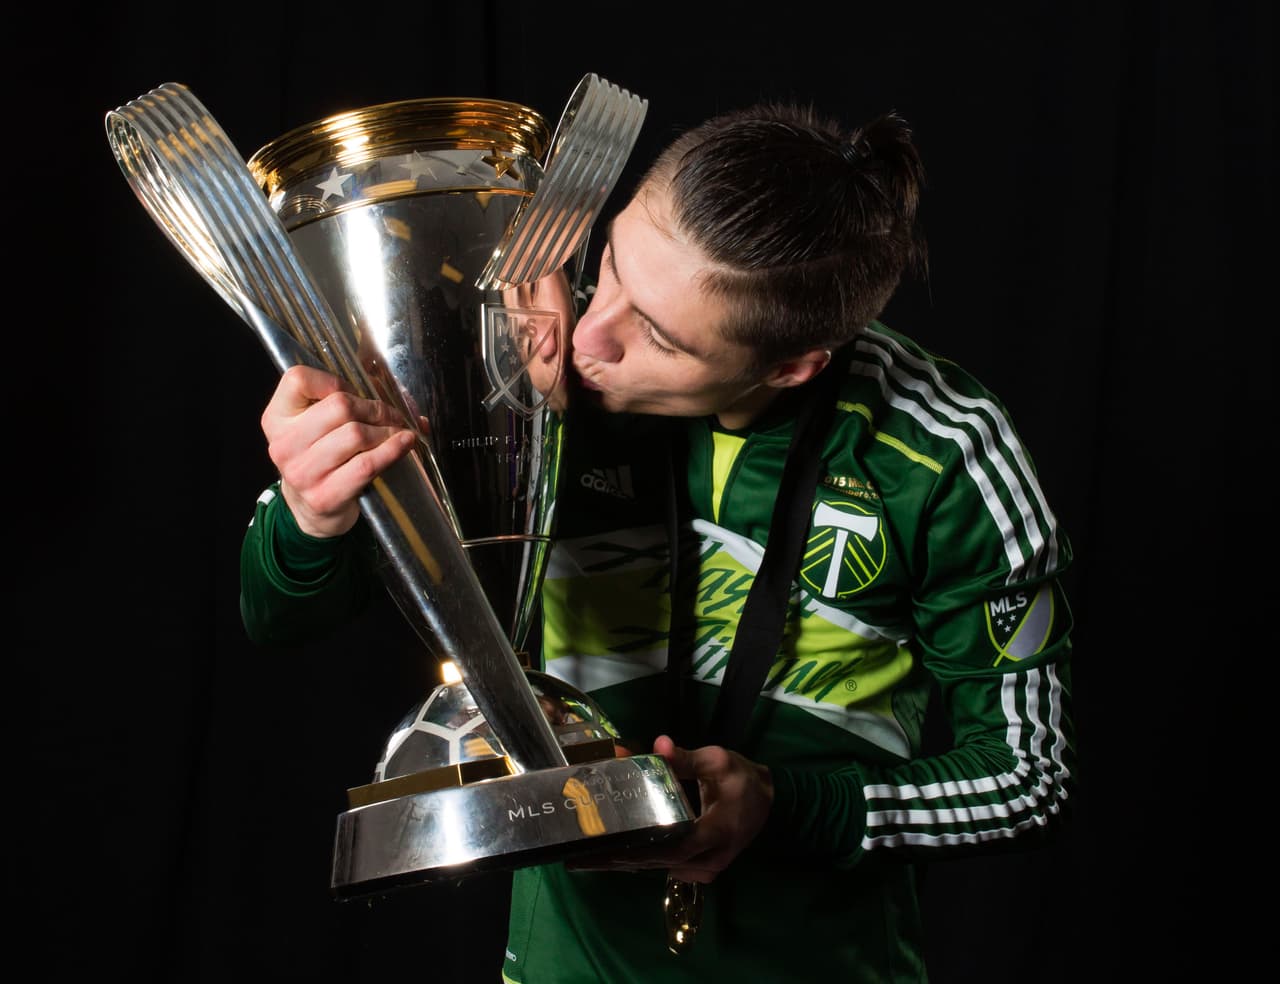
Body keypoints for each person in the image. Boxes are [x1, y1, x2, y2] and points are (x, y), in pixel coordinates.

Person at [240, 99, 1076, 983]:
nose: (593, 336)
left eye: (659, 335)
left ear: (793, 365)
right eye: (612, 266)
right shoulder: (514, 351)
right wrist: (314, 511)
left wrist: (789, 806)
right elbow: (275, 618)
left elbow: (1027, 778)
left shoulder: (943, 454)